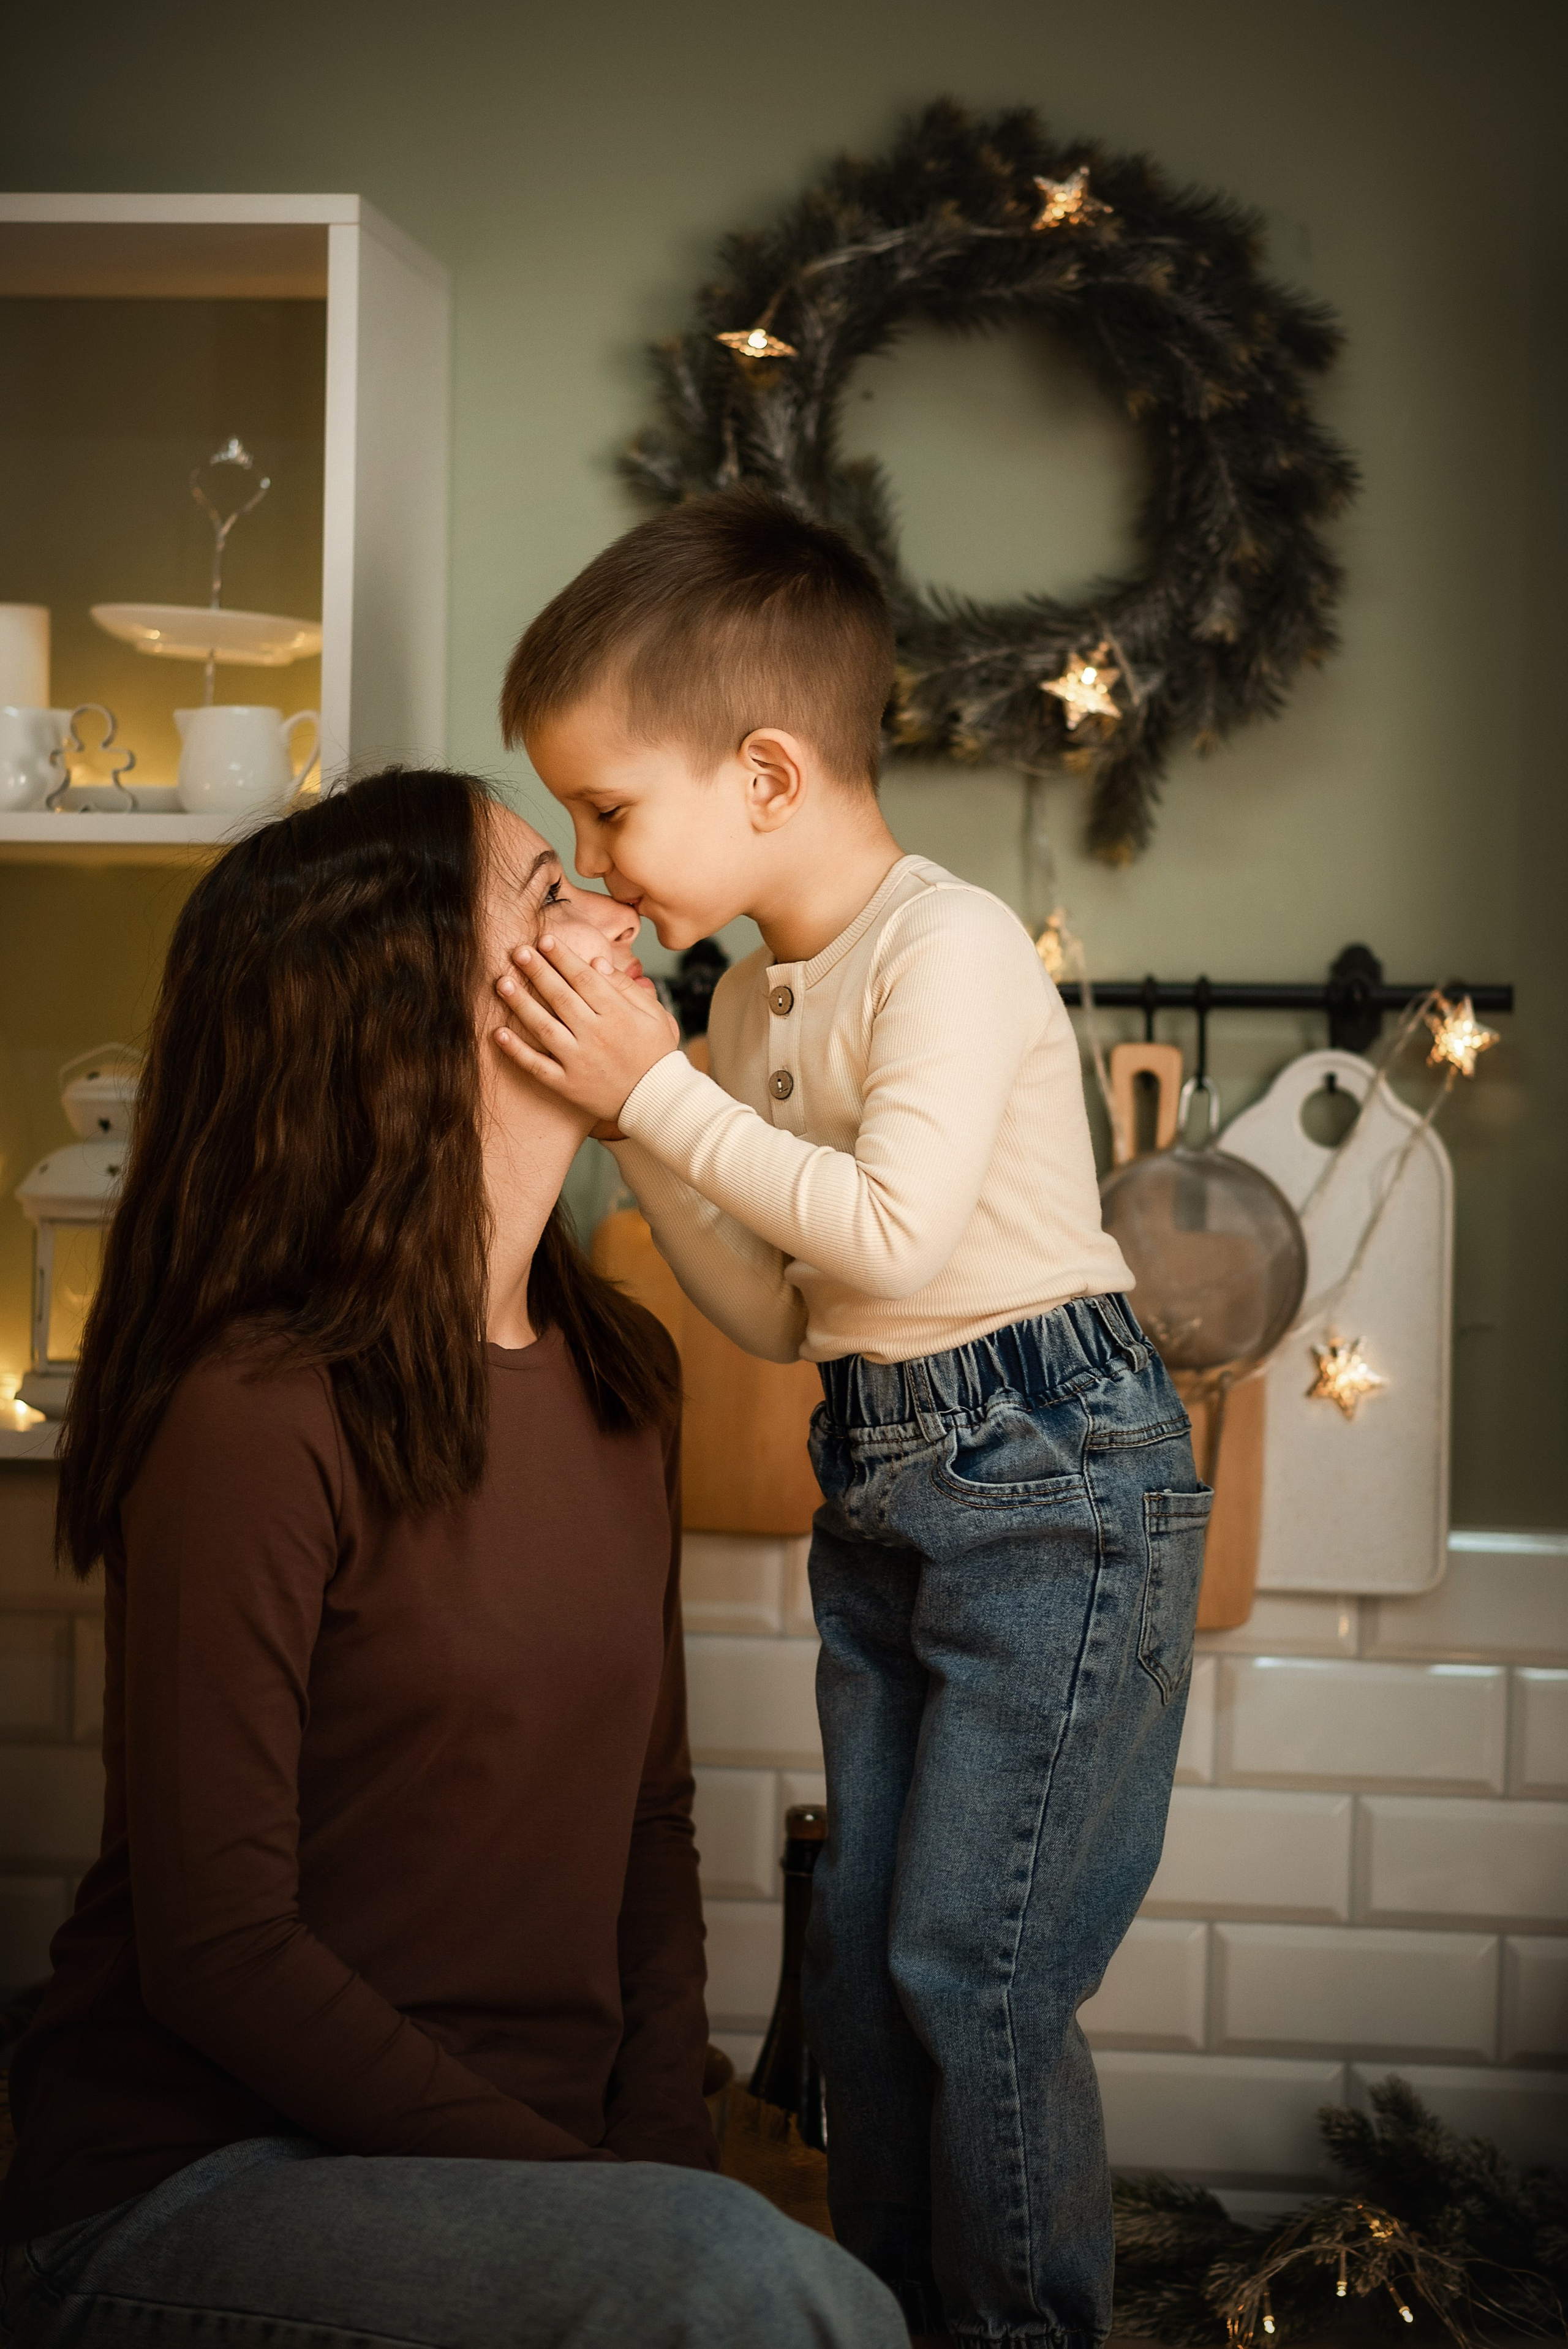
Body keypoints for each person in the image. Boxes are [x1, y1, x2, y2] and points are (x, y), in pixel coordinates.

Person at [0, 768, 906, 2349]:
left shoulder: (619, 1368)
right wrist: (607, 2202)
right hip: (204, 2178)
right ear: (408, 1008)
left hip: (544, 2181)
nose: (620, 908)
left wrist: (655, 2172)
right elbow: (220, 1951)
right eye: (551, 893)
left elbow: (650, 1819)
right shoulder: (253, 1411)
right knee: (743, 2286)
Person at [490, 492, 1214, 2349]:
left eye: (609, 809)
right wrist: (653, 1115)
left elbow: (894, 1224)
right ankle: (891, 2319)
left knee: (973, 1967)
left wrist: (661, 1090)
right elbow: (787, 1308)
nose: (593, 854)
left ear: (761, 773)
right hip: (887, 1468)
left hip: (1055, 1473)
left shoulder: (947, 947)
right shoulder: (744, 1013)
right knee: (873, 1954)